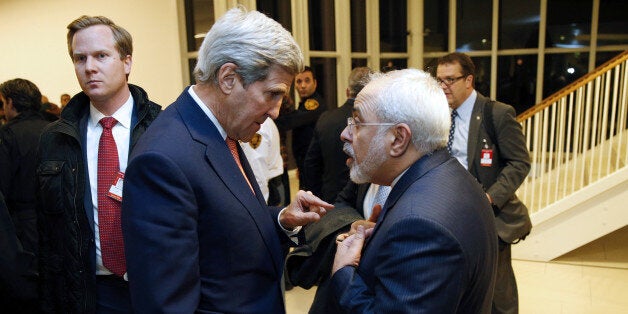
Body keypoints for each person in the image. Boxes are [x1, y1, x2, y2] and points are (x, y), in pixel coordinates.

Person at [121, 7, 333, 313]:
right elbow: (166, 304)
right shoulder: (163, 161)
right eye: (272, 94)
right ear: (229, 78)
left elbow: (221, 234)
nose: (276, 111)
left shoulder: (221, 129)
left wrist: (280, 220)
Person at [330, 69, 498, 313]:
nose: (345, 133)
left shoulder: (420, 226)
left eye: (357, 122)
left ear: (398, 139)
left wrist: (344, 273)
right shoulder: (444, 174)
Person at [37, 15, 161, 313]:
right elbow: (46, 231)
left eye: (101, 56)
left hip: (156, 288)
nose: (89, 67)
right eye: (80, 58)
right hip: (89, 294)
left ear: (127, 62)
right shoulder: (55, 139)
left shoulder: (162, 129)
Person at [436, 52, 532, 314]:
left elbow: (520, 162)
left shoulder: (496, 114)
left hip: (489, 217)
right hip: (452, 217)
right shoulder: (440, 116)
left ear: (468, 80)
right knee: (463, 288)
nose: (443, 87)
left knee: (498, 294)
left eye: (450, 80)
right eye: (439, 81)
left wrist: (489, 198)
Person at [0, 78, 49, 313]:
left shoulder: (7, 135)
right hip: (56, 223)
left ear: (10, 102)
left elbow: (3, 187)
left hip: (21, 228)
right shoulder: (55, 128)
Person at [303, 67, 373, 203]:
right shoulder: (376, 122)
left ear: (347, 92)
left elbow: (310, 164)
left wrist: (316, 196)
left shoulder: (326, 119)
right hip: (363, 201)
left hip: (328, 198)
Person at [275, 66, 327, 188]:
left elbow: (291, 121)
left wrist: (267, 123)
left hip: (314, 168)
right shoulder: (304, 104)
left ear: (315, 83)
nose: (303, 85)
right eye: (299, 81)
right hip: (306, 165)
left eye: (307, 81)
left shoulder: (314, 104)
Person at [241, 118, 283, 204]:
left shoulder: (257, 126)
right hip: (271, 184)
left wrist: (261, 206)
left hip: (267, 190)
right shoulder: (262, 120)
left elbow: (258, 171)